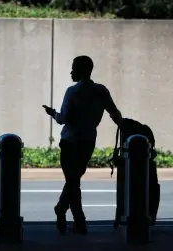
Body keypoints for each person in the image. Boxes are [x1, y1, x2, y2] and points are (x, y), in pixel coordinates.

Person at [43, 55, 123, 235]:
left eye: (74, 68)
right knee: (74, 181)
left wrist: (52, 113)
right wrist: (124, 126)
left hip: (70, 142)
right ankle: (79, 223)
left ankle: (62, 209)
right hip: (87, 142)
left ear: (81, 70)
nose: (71, 71)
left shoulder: (72, 92)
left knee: (72, 181)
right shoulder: (101, 91)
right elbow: (114, 113)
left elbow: (63, 118)